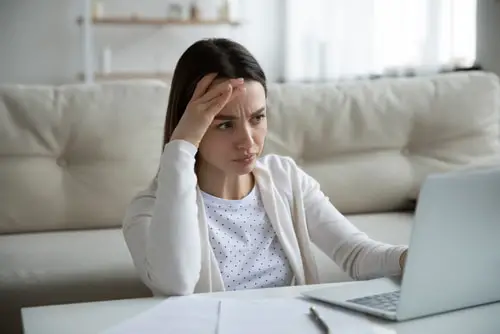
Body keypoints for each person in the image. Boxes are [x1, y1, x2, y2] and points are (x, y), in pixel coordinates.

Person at [122, 38, 408, 297]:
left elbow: (355, 253)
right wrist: (181, 144)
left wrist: (411, 259)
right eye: (225, 124)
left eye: (257, 118)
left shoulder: (286, 178)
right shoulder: (147, 210)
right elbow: (176, 284)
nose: (248, 141)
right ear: (191, 126)